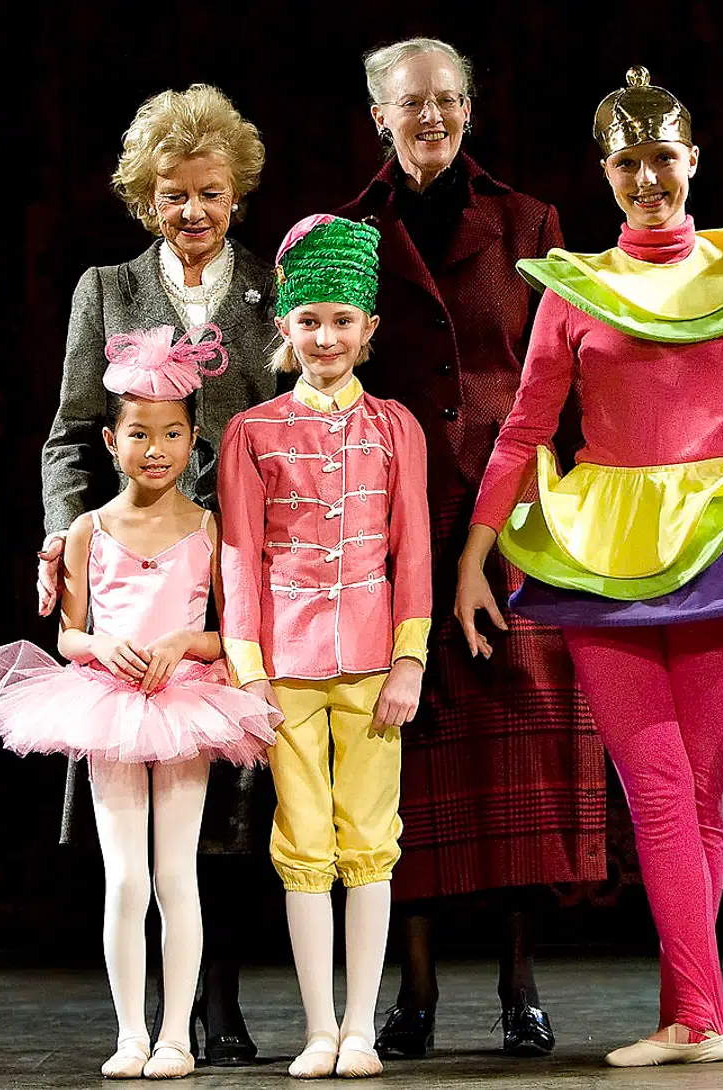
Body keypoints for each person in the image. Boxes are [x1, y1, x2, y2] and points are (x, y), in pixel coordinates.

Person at [456, 67, 723, 1067]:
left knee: (700, 802)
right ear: (606, 171)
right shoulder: (576, 289)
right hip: (599, 548)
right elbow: (524, 426)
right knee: (659, 790)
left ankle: (689, 1014)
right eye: (628, 160)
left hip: (715, 541)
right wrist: (473, 559)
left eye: (664, 155)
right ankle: (702, 1021)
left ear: (693, 159)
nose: (647, 175)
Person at [338, 36, 603, 1057]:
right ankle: (413, 990)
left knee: (524, 754)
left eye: (448, 100)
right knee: (406, 756)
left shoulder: (531, 221)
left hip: (513, 518)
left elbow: (559, 376)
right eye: (412, 104)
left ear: (469, 109)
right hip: (394, 514)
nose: (432, 118)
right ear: (380, 116)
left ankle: (519, 983)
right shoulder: (353, 229)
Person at [36, 83, 278, 1065]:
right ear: (147, 197)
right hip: (137, 562)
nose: (193, 212)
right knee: (144, 828)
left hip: (242, 565)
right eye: (174, 194)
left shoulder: (269, 288)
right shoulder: (106, 289)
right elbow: (66, 437)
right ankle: (152, 1022)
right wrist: (66, 536)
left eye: (210, 193)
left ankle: (217, 999)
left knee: (236, 799)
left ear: (235, 192)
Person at [0, 325, 281, 1079]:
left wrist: (182, 646)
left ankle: (177, 1031)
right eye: (139, 434)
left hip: (183, 705)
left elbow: (230, 632)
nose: (155, 449)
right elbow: (71, 634)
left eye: (172, 434)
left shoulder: (209, 528)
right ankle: (130, 1033)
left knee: (177, 873)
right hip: (110, 703)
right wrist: (103, 647)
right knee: (125, 878)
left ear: (193, 440)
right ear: (111, 441)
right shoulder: (87, 529)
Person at [219, 215, 431, 1079]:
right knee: (301, 840)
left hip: (377, 662)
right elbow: (238, 562)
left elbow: (412, 548)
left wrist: (411, 658)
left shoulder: (397, 427)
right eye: (309, 320)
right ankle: (317, 1029)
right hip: (286, 671)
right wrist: (249, 677)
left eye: (343, 320)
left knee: (370, 838)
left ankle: (360, 1028)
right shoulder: (252, 433)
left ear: (369, 330)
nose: (326, 336)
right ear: (284, 327)